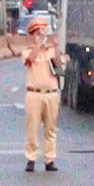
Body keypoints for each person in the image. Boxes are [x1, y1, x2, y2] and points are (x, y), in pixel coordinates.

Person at [20, 13, 65, 172]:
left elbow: (59, 67)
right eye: (37, 32)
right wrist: (39, 45)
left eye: (42, 32)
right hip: (34, 94)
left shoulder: (51, 51)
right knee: (32, 128)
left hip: (51, 93)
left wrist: (56, 47)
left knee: (50, 128)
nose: (40, 35)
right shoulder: (28, 51)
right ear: (32, 35)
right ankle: (31, 158)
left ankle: (49, 159)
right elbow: (29, 60)